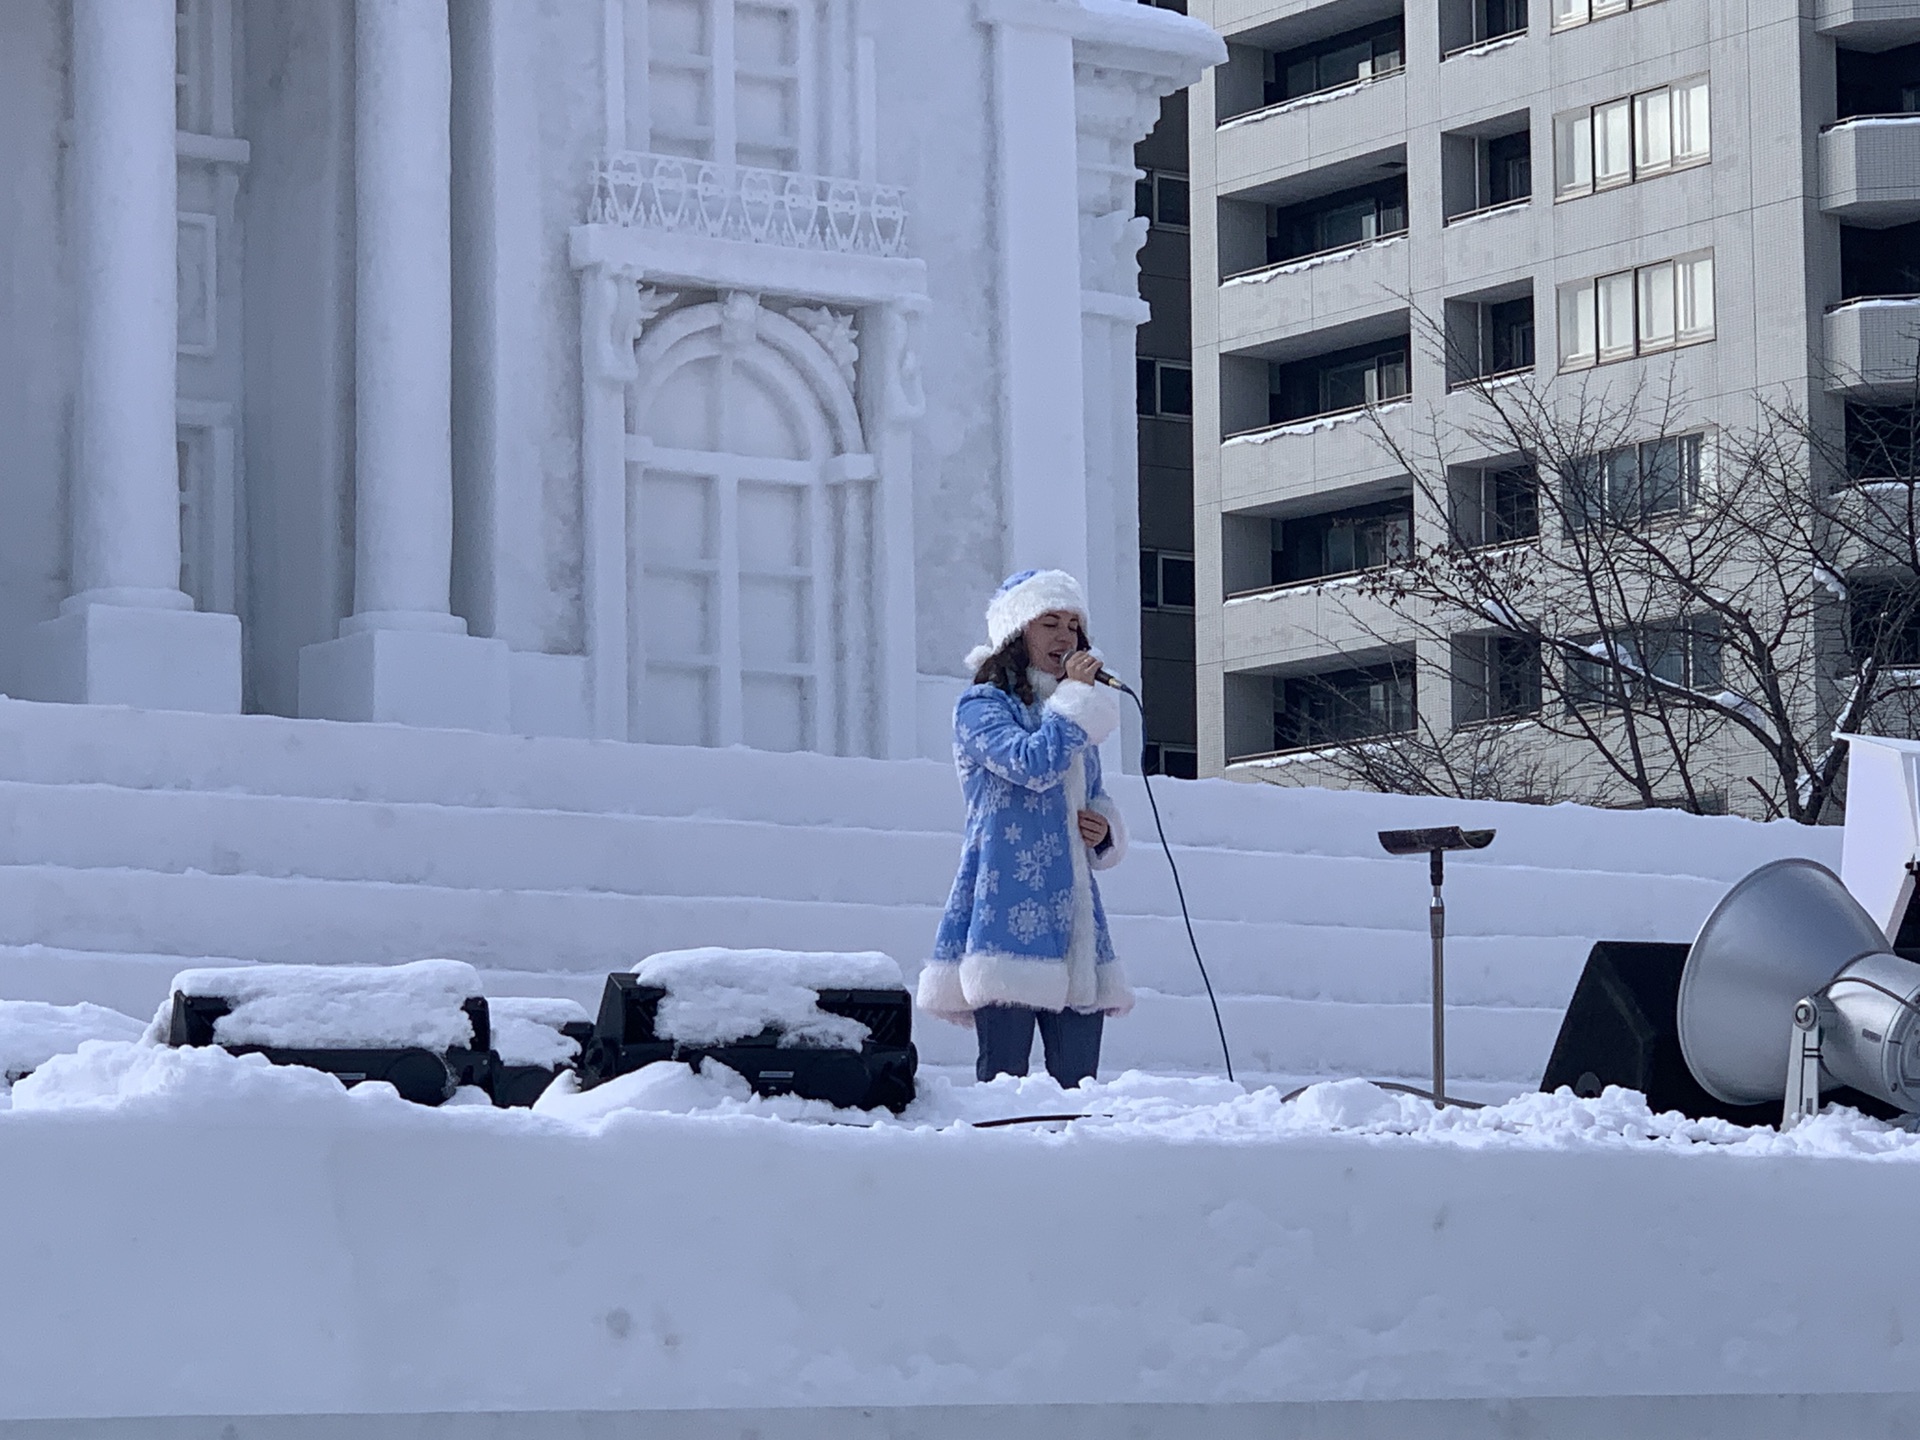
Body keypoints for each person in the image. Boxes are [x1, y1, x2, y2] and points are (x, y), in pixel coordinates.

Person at [917, 569, 1133, 1087]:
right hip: (1005, 911)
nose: (1066, 638)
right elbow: (1031, 764)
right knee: (1004, 1083)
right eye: (1050, 623)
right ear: (1018, 633)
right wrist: (1075, 700)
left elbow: (1093, 792)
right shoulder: (982, 706)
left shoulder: (1072, 710)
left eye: (1074, 626)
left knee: (1080, 1086)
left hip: (1074, 916)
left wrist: (1105, 831)